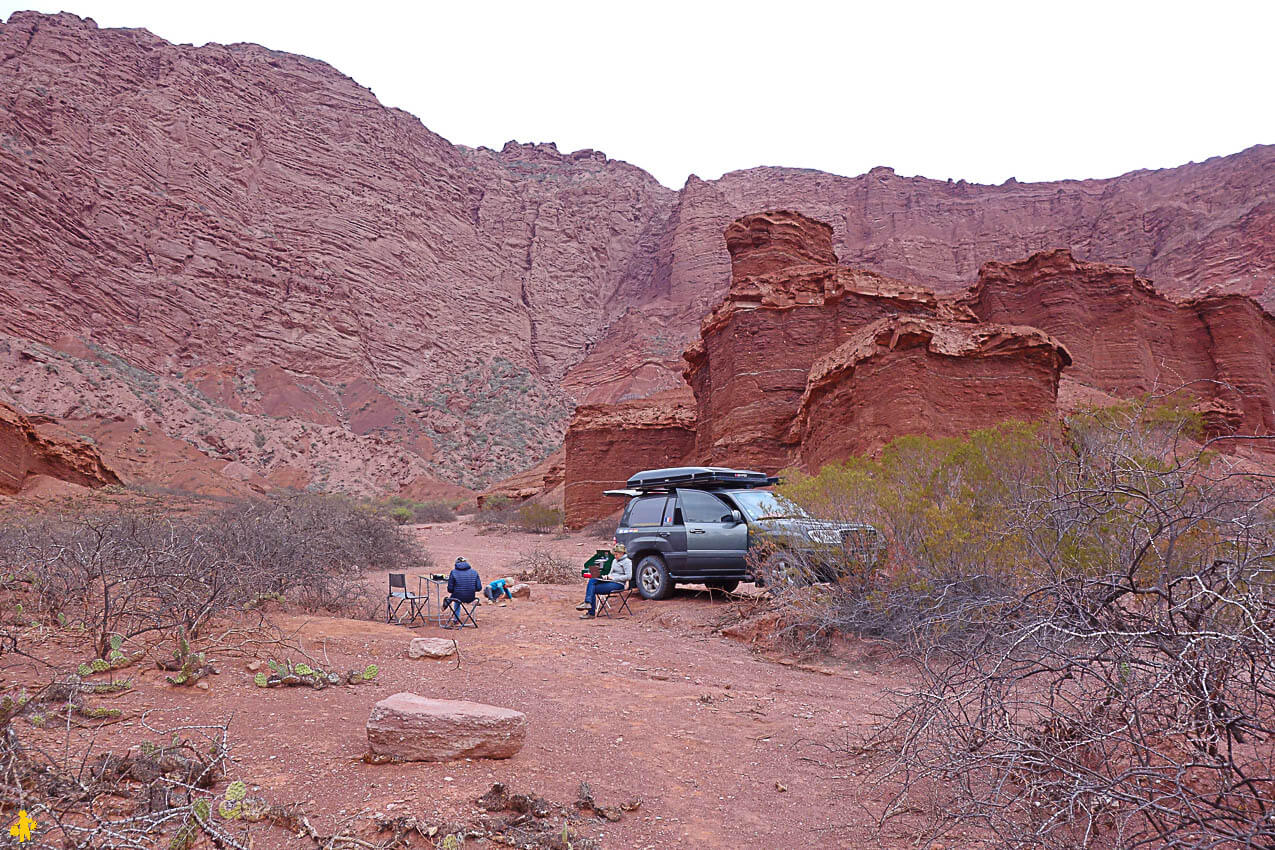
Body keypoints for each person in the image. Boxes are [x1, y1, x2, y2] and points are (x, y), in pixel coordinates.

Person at [578, 543, 632, 619]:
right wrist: (605, 577)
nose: (615, 556)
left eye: (616, 554)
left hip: (618, 584)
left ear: (622, 553)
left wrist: (613, 578)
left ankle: (590, 612)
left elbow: (629, 576)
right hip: (609, 581)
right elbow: (611, 573)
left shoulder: (627, 562)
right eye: (614, 554)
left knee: (592, 589)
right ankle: (588, 603)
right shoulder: (614, 561)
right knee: (592, 579)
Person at [443, 556, 481, 628]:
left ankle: (456, 620)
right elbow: (479, 588)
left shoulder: (453, 572)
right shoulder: (474, 572)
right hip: (471, 597)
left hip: (458, 597)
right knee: (457, 596)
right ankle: (447, 604)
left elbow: (450, 589)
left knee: (456, 598)